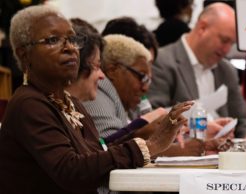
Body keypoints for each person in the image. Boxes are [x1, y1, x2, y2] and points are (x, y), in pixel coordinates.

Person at [0, 5, 192, 193]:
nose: (70, 48)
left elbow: (97, 155)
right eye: (53, 39)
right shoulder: (28, 103)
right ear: (24, 55)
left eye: (72, 39)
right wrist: (149, 146)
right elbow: (71, 171)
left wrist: (145, 134)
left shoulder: (70, 102)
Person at [148, 2, 246, 141]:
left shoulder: (226, 70)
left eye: (231, 44)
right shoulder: (162, 62)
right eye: (224, 40)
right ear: (202, 28)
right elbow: (153, 120)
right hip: (185, 154)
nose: (227, 49)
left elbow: (243, 119)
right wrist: (197, 129)